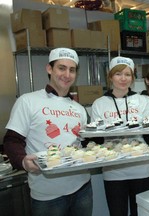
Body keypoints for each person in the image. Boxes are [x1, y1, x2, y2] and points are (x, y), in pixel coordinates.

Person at [3, 48, 93, 216]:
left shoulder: (79, 109)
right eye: (61, 68)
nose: (67, 74)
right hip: (47, 193)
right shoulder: (28, 101)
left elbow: (86, 142)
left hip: (82, 186)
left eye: (72, 70)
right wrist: (23, 161)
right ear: (49, 69)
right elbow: (12, 141)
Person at [91, 56, 149, 216]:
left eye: (127, 74)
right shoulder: (99, 103)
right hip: (113, 170)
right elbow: (96, 139)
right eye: (118, 74)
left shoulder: (143, 101)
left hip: (142, 168)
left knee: (141, 213)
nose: (123, 78)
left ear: (132, 78)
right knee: (117, 212)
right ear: (110, 76)